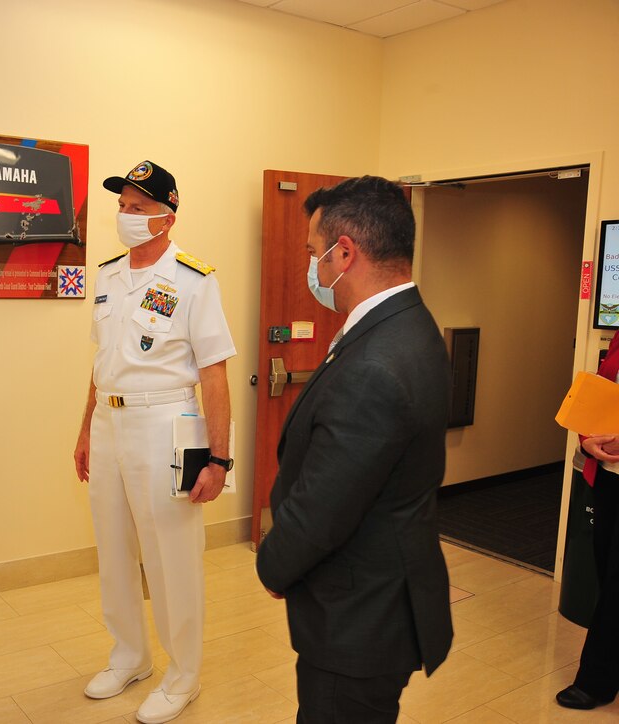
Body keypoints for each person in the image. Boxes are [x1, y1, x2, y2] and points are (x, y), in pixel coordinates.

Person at [255, 176, 453, 722]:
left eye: (314, 253)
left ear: (345, 253)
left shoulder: (378, 362)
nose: (312, 267)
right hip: (379, 596)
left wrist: (275, 566)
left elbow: (326, 505)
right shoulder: (408, 324)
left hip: (357, 618)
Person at [73, 161, 236, 724]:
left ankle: (183, 674)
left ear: (166, 216)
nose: (125, 217)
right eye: (121, 207)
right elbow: (101, 364)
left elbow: (214, 371)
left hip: (167, 424)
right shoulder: (108, 275)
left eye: (138, 208)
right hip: (110, 422)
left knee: (172, 557)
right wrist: (85, 427)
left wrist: (218, 457)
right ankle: (130, 655)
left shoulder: (194, 279)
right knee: (113, 547)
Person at [555, 331, 619, 710]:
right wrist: (586, 439)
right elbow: (600, 395)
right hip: (609, 477)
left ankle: (595, 680)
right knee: (605, 571)